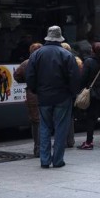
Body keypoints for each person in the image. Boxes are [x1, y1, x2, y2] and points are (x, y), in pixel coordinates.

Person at [26, 26, 80, 168]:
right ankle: (57, 160)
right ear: (60, 38)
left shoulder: (36, 55)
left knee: (44, 128)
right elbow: (74, 78)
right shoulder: (67, 55)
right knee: (61, 128)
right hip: (62, 97)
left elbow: (30, 77)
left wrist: (35, 90)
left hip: (44, 97)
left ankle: (44, 160)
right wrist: (72, 93)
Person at [77, 42, 100, 150]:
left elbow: (83, 78)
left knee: (91, 118)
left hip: (94, 94)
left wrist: (82, 89)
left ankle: (89, 142)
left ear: (92, 50)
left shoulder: (89, 62)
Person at [13, 43, 43, 157]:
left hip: (32, 94)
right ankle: (45, 147)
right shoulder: (46, 62)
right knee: (46, 121)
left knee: (36, 122)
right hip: (46, 94)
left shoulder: (26, 63)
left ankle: (37, 149)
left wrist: (26, 81)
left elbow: (17, 76)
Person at [61, 42, 83, 148]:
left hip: (65, 92)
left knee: (62, 117)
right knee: (70, 117)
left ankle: (64, 140)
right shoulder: (77, 61)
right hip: (72, 92)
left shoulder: (63, 61)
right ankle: (70, 140)